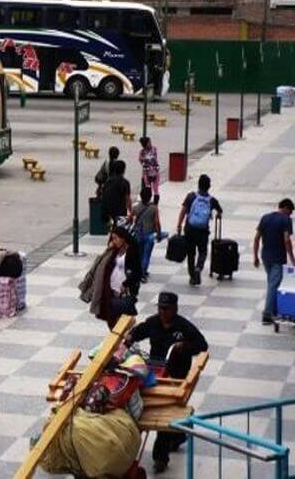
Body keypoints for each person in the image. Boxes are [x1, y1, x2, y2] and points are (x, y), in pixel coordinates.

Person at [126, 292, 208, 473]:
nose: (162, 312)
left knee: (163, 412)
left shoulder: (183, 327)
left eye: (166, 309)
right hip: (155, 370)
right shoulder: (153, 322)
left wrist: (185, 346)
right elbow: (138, 332)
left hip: (176, 373)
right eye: (160, 308)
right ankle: (178, 436)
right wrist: (129, 338)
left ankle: (160, 457)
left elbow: (202, 345)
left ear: (175, 309)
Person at [254, 198, 295, 324]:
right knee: (273, 285)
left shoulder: (265, 218)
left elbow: (256, 238)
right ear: (286, 208)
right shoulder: (285, 220)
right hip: (277, 257)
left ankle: (273, 310)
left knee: (272, 282)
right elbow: (287, 240)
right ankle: (267, 315)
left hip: (265, 256)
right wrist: (292, 259)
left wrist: (255, 256)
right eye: (290, 212)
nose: (290, 215)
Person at [176, 174, 223, 286]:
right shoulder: (211, 200)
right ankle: (199, 268)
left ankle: (192, 277)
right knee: (203, 252)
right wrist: (218, 215)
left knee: (191, 254)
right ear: (209, 186)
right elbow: (220, 211)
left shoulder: (191, 196)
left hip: (190, 229)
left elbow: (183, 211)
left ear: (198, 185)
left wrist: (179, 225)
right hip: (203, 231)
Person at [132, 187, 163, 281]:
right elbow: (157, 222)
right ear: (150, 197)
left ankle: (138, 271)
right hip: (149, 235)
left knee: (139, 254)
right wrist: (159, 234)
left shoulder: (136, 207)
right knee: (146, 255)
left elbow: (130, 218)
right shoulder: (154, 208)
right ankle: (143, 273)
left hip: (138, 234)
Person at [102, 160, 132, 226]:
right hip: (120, 211)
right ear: (124, 170)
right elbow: (128, 199)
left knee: (113, 231)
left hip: (107, 211)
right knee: (120, 231)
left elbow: (104, 194)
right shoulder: (125, 182)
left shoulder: (108, 181)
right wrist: (131, 212)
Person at [138, 136, 160, 204]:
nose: (150, 144)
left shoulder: (153, 149)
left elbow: (143, 160)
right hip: (147, 173)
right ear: (145, 144)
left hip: (154, 172)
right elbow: (141, 161)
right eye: (149, 142)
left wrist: (145, 159)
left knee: (155, 189)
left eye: (150, 142)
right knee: (148, 188)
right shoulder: (142, 152)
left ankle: (155, 204)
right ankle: (147, 202)